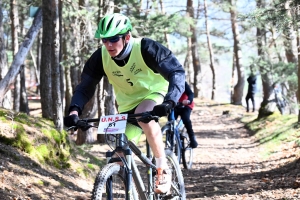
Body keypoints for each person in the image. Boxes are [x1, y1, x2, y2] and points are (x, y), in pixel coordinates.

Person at [63, 13, 185, 194]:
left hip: (154, 94)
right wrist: (74, 111)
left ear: (127, 36)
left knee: (145, 116)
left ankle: (162, 168)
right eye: (105, 40)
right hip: (127, 104)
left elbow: (176, 71)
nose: (109, 45)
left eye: (113, 39)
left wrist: (170, 101)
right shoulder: (101, 57)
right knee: (118, 156)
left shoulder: (146, 48)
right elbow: (85, 87)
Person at [169, 81, 198, 148]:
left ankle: (192, 138)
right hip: (174, 105)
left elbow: (191, 94)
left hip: (185, 105)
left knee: (185, 118)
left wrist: (188, 101)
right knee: (170, 120)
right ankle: (171, 141)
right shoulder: (168, 83)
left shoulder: (182, 82)